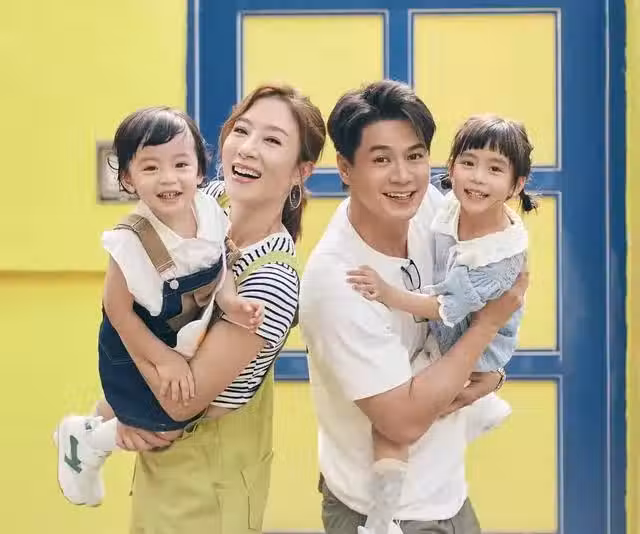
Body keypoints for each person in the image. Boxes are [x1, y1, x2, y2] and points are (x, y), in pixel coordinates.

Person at [299, 80, 527, 534]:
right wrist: (487, 326)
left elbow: (502, 271)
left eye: (415, 156)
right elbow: (401, 423)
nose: (403, 176)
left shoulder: (430, 210)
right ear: (345, 168)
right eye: (381, 159)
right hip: (381, 516)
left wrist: (493, 370)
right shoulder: (337, 282)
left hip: (447, 496)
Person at [104, 85, 325, 533]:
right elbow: (135, 265)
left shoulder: (272, 281)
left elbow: (179, 403)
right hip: (164, 468)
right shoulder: (209, 201)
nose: (248, 148)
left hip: (209, 489)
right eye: (242, 130)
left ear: (301, 171)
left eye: (272, 140)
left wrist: (127, 401)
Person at [54, 106, 263, 506]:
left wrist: (231, 301)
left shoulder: (209, 212)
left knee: (151, 409)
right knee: (165, 425)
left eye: (181, 164)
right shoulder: (130, 241)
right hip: (135, 341)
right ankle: (88, 443)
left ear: (200, 171)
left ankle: (88, 424)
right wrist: (163, 360)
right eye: (151, 168)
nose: (168, 178)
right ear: (128, 178)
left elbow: (220, 263)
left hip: (183, 332)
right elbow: (117, 311)